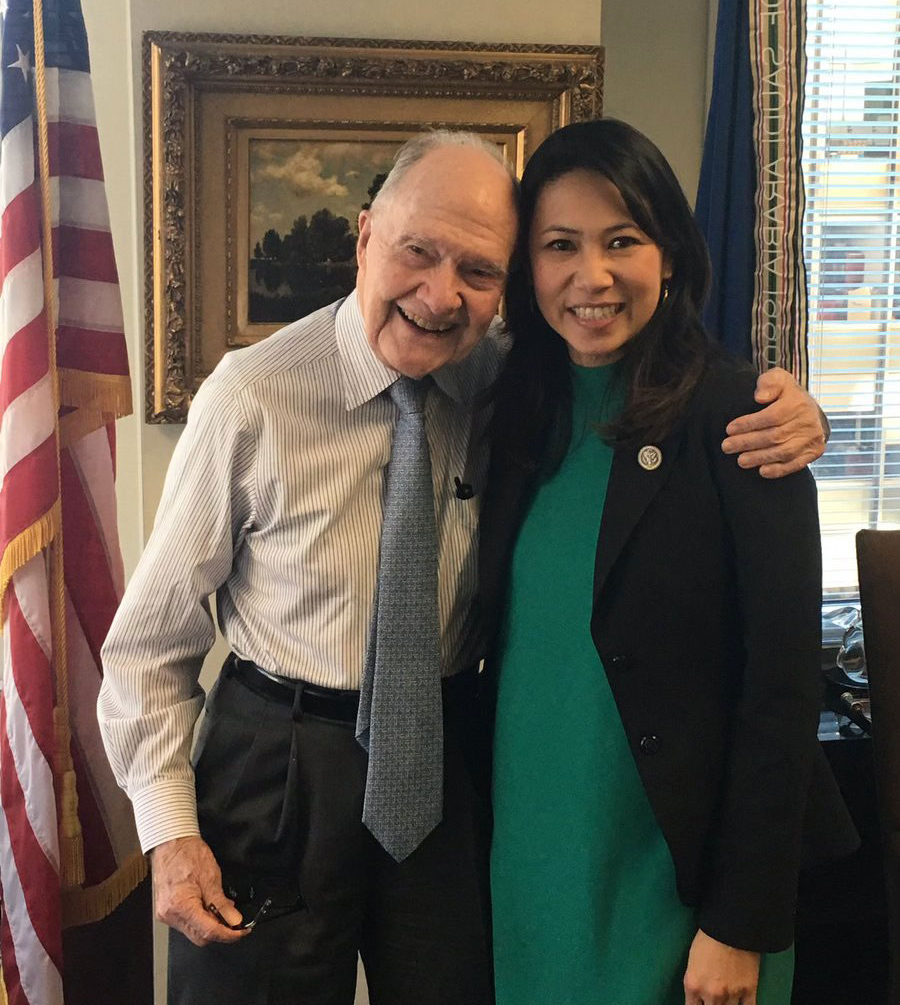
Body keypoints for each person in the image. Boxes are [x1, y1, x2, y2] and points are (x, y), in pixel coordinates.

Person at [98, 129, 828, 1005]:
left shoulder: (509, 385)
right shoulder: (251, 398)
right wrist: (170, 835)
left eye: (479, 271)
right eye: (417, 252)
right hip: (281, 767)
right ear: (365, 236)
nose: (440, 296)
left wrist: (794, 409)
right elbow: (148, 644)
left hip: (444, 763)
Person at [478, 118, 858, 1005]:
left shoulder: (743, 419)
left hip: (678, 881)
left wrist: (740, 923)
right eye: (559, 246)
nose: (591, 276)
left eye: (623, 241)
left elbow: (783, 689)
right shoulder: (511, 415)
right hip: (530, 864)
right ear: (528, 269)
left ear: (672, 256)